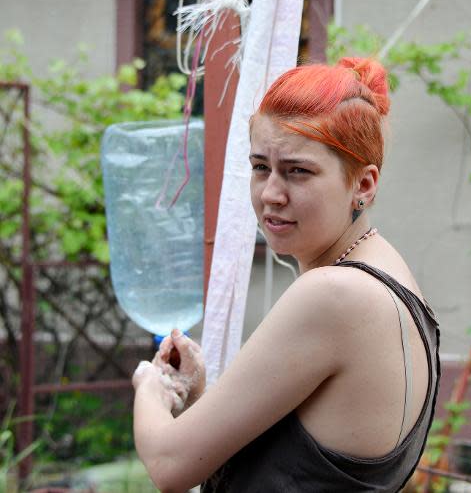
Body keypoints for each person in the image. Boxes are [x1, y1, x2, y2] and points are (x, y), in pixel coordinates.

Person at [131, 57, 441, 492]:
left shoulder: (333, 294)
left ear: (364, 184)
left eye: (298, 171)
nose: (271, 194)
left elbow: (169, 464)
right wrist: (200, 396)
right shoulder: (389, 276)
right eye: (261, 167)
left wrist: (152, 386)